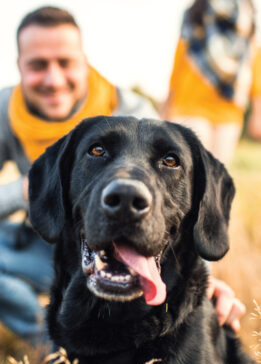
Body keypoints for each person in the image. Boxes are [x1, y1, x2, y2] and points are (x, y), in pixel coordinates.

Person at [0, 5, 244, 345]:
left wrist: (202, 282)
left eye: (65, 63)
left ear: (84, 61)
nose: (54, 80)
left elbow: (176, 203)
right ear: (19, 66)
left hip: (130, 244)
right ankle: (46, 340)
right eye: (38, 65)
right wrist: (24, 191)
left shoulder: (134, 114)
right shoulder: (5, 110)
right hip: (50, 242)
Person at [161, 0, 256, 166]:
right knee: (193, 170)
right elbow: (180, 58)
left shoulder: (247, 17)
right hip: (191, 104)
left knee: (217, 175)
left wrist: (258, 109)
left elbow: (253, 62)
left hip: (229, 109)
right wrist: (167, 104)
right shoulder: (195, 12)